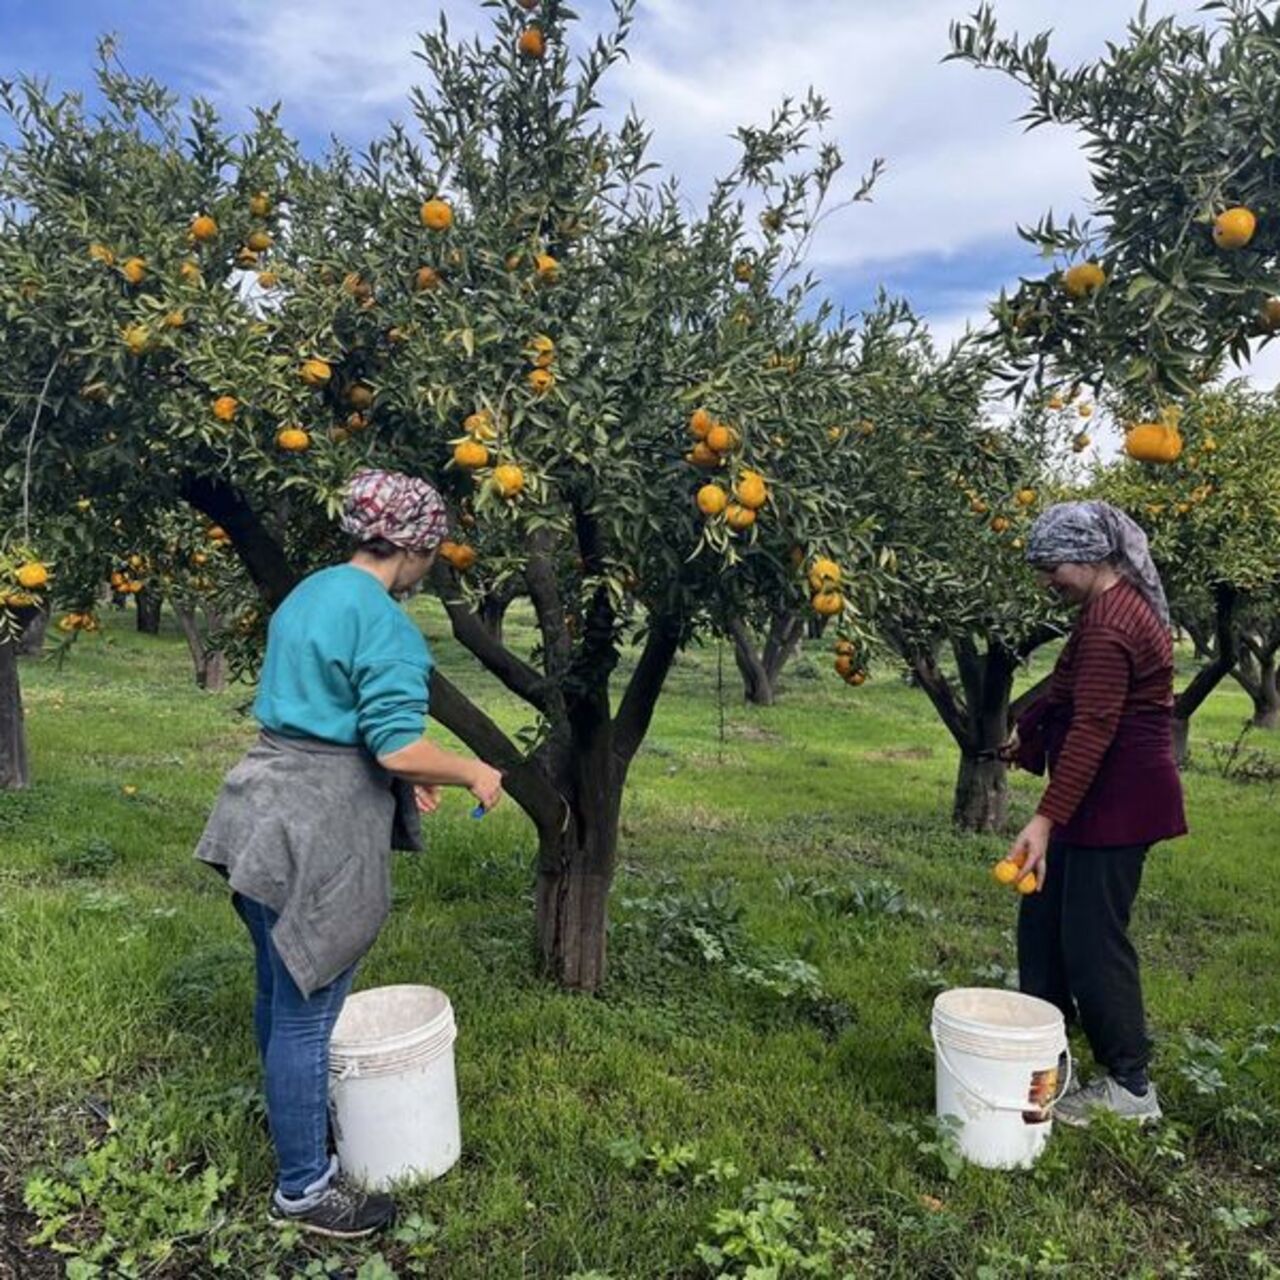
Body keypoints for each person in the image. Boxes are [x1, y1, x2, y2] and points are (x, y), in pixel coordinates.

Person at [194, 469, 504, 1238]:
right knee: (308, 1012)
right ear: (419, 546)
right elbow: (396, 744)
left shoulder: (310, 593)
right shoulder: (388, 624)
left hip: (258, 811)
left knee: (277, 989)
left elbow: (333, 718)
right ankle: (304, 1187)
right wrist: (468, 769)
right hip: (318, 833)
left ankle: (295, 1135)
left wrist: (406, 780)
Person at [1004, 500, 1186, 1127]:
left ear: (1088, 558)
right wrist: (1027, 733)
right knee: (1042, 924)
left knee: (1091, 939)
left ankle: (1131, 1086)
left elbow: (1095, 729)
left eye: (1052, 566)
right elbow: (1067, 692)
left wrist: (1043, 819)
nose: (1045, 579)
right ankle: (1047, 1053)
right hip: (1095, 796)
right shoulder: (1103, 608)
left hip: (1120, 802)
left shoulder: (1112, 624)